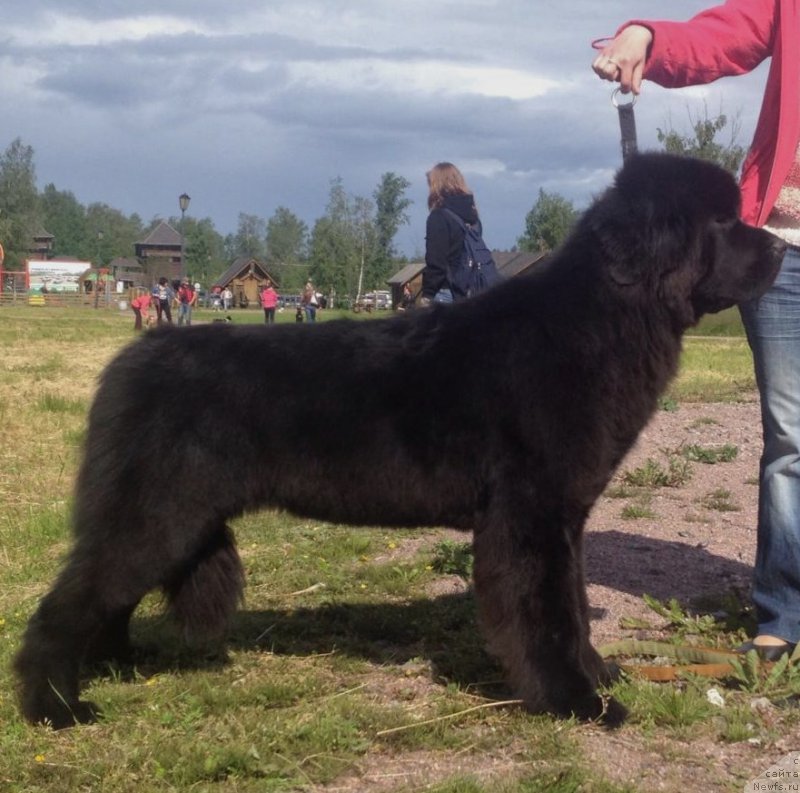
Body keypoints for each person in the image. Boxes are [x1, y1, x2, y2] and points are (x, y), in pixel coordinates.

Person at [593, 0, 800, 660]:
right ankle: (786, 614)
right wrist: (647, 38)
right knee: (792, 438)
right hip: (786, 244)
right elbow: (722, 36)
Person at [420, 162, 482, 305]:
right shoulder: (474, 217)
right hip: (472, 291)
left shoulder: (439, 216)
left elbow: (436, 262)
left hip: (445, 291)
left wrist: (428, 294)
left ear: (436, 185)